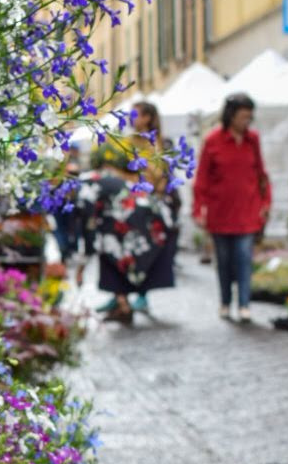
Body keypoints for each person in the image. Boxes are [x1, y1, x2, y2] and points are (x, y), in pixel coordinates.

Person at [192, 93, 271, 322]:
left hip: (247, 211)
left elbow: (261, 175)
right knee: (224, 262)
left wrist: (265, 203)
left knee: (244, 258)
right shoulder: (213, 141)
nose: (247, 121)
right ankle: (225, 302)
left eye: (249, 117)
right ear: (231, 115)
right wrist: (199, 209)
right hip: (220, 213)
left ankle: (244, 304)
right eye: (243, 116)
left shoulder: (252, 139)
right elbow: (202, 179)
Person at [83, 144, 174, 326]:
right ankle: (123, 305)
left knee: (112, 254)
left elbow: (87, 223)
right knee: (114, 255)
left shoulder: (87, 184)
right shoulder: (101, 178)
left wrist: (82, 260)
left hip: (137, 220)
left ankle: (124, 307)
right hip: (152, 217)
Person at [128, 100, 180, 311]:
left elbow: (164, 175)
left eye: (135, 115)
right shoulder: (128, 142)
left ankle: (142, 294)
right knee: (129, 250)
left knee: (146, 250)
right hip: (132, 202)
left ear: (147, 117)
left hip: (154, 204)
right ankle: (122, 294)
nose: (131, 119)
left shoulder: (162, 144)